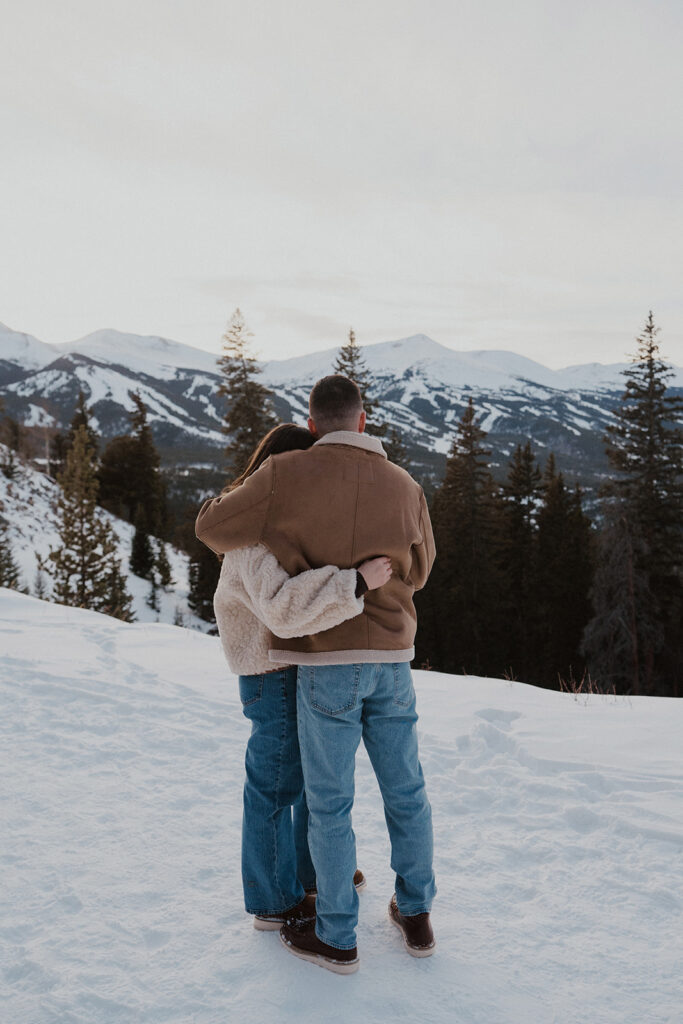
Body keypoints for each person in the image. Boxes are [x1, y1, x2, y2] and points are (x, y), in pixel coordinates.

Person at [196, 376, 436, 974]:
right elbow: (420, 569)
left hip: (323, 660)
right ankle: (406, 910)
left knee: (324, 797)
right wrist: (363, 576)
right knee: (389, 791)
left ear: (313, 424)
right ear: (362, 420)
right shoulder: (404, 485)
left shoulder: (286, 484)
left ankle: (330, 917)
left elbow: (213, 527)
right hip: (365, 659)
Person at [213, 423, 391, 931]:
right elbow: (283, 609)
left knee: (314, 777)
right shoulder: (251, 535)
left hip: (292, 665)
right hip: (268, 672)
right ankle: (273, 900)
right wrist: (355, 582)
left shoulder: (282, 521)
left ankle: (314, 873)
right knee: (274, 786)